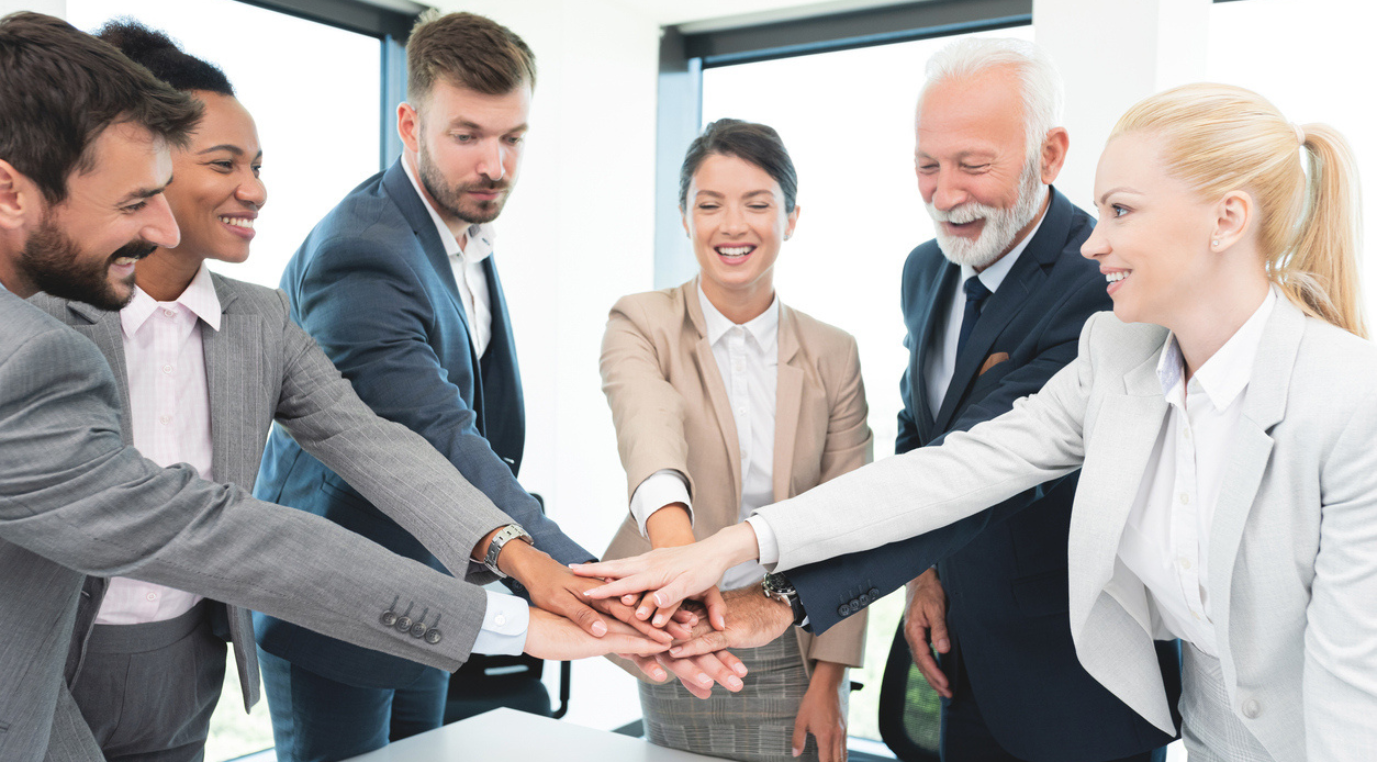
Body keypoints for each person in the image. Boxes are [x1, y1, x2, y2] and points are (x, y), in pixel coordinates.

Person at [576, 82, 1374, 762]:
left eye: (1121, 211)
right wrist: (739, 546)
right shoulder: (1118, 354)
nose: (1093, 242)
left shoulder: (1348, 404)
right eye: (1098, 212)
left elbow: (1351, 692)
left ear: (1227, 219)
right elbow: (955, 470)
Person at [0, 12, 664, 762]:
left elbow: (373, 439)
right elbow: (203, 526)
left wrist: (516, 552)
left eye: (257, 164)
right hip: (46, 661)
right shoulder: (35, 333)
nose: (255, 192)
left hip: (189, 663)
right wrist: (510, 615)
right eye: (220, 166)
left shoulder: (258, 318)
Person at [250, 11, 677, 760]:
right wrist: (577, 577)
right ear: (410, 124)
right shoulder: (361, 252)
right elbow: (433, 433)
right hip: (339, 599)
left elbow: (478, 427)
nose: (495, 165)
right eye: (468, 135)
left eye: (512, 138)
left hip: (435, 586)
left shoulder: (457, 232)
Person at [891, 38, 1174, 762]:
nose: (944, 194)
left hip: (1073, 679)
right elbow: (917, 428)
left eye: (973, 166)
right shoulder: (926, 269)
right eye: (927, 164)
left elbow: (983, 460)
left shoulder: (1102, 281)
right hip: (965, 656)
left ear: (1048, 155)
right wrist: (922, 575)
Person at [600, 118, 872, 762]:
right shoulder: (642, 321)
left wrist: (831, 678)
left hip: (795, 630)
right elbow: (649, 432)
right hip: (676, 625)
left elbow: (852, 517)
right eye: (710, 204)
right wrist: (680, 570)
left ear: (791, 217)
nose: (733, 226)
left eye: (757, 204)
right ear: (684, 216)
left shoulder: (834, 353)